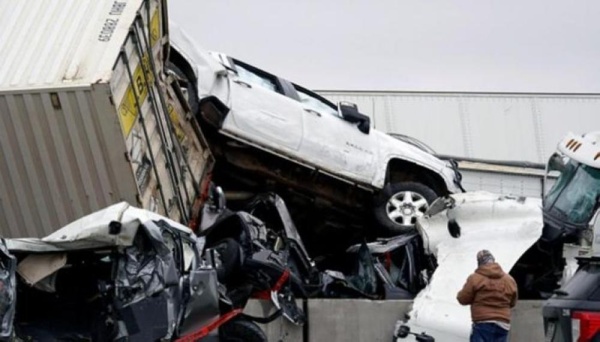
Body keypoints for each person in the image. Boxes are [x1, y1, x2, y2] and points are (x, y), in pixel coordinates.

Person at [456, 250, 518, 342]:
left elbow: (462, 299)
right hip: (503, 325)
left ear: (479, 262)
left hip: (483, 322)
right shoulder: (509, 280)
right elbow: (512, 302)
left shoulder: (475, 278)